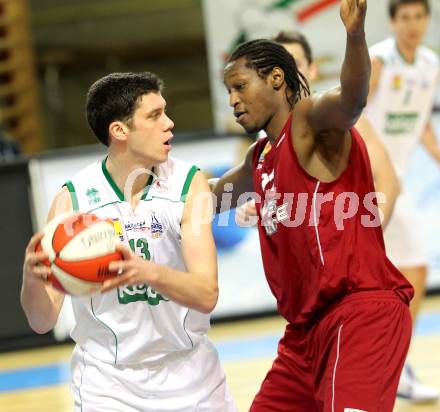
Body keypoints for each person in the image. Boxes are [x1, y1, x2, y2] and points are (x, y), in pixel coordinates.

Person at [212, 0, 415, 410]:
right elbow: (208, 194)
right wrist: (133, 193)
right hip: (304, 335)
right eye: (228, 91)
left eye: (240, 87)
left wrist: (354, 36)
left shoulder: (307, 120)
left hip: (358, 313)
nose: (232, 100)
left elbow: (353, 99)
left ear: (275, 78)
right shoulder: (260, 159)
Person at [21, 72, 237, 412]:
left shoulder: (188, 184)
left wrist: (144, 272)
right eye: (154, 115)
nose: (169, 123)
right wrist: (32, 279)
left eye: (165, 111)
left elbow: (206, 294)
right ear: (119, 131)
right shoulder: (73, 200)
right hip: (107, 384)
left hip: (192, 377)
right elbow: (41, 321)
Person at [236, 30, 400, 229]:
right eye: (276, 67)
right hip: (299, 257)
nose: (286, 73)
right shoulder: (265, 137)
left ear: (312, 69)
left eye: (294, 64)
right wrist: (254, 213)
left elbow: (388, 180)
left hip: (347, 250)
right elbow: (279, 212)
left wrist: (373, 234)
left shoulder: (343, 118)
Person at [363, 0, 440, 402]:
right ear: (392, 22)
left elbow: (421, 119)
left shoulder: (430, 63)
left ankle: (392, 364)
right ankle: (390, 366)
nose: (413, 24)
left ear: (428, 20)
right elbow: (352, 114)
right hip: (374, 184)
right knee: (412, 271)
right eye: (404, 17)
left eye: (419, 16)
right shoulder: (377, 60)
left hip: (398, 181)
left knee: (404, 276)